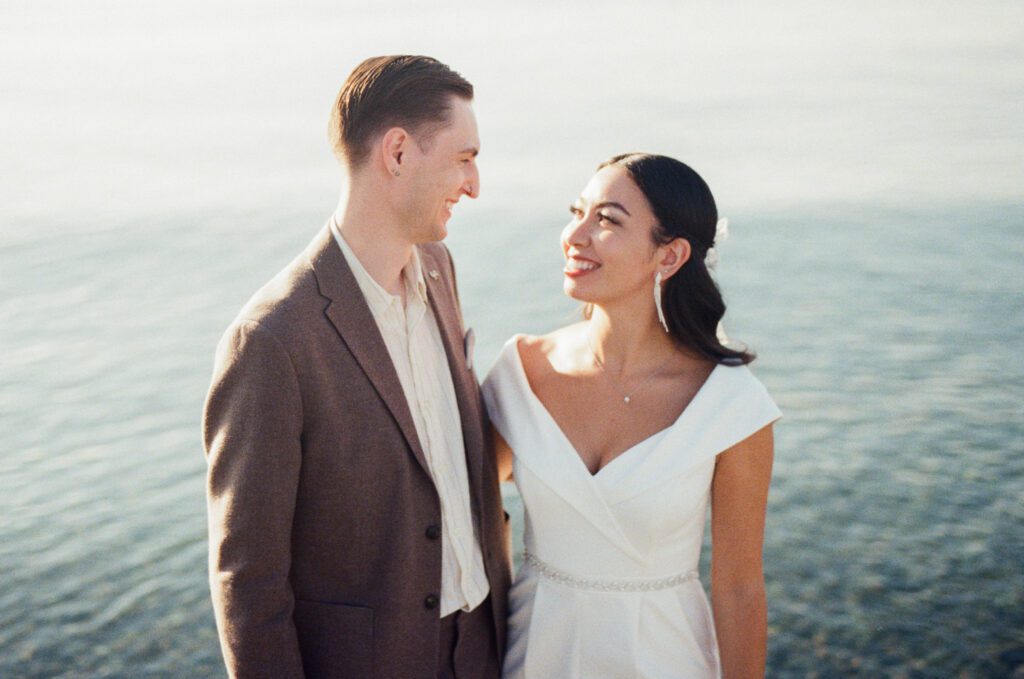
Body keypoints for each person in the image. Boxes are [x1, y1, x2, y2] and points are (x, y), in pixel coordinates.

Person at [202, 55, 510, 678]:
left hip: (484, 645)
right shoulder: (271, 340)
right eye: (463, 158)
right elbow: (249, 582)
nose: (475, 184)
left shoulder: (439, 270)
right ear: (397, 153)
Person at [482, 153, 781, 678]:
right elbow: (467, 515)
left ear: (669, 256)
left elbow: (738, 590)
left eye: (607, 220)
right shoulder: (520, 372)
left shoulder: (730, 406)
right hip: (533, 654)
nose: (575, 235)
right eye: (578, 212)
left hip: (664, 658)